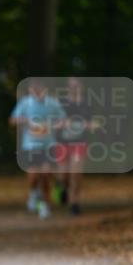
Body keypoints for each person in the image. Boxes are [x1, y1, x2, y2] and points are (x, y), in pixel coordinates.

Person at [9, 78, 66, 219]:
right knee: (34, 176)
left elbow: (63, 119)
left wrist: (57, 125)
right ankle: (33, 193)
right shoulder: (25, 103)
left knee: (46, 175)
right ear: (30, 90)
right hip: (30, 145)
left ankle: (45, 206)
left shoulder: (52, 103)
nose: (37, 91)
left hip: (48, 145)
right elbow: (12, 120)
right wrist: (24, 120)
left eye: (39, 88)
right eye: (34, 88)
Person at [56, 76, 93, 215]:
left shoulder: (86, 104)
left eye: (76, 85)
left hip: (79, 142)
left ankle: (75, 203)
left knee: (75, 173)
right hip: (62, 142)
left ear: (81, 87)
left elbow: (91, 123)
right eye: (71, 86)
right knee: (64, 175)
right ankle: (63, 188)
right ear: (67, 88)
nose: (74, 88)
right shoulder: (61, 102)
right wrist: (62, 123)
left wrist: (84, 125)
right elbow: (54, 122)